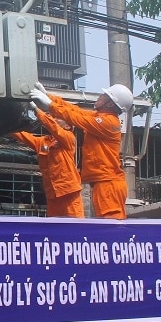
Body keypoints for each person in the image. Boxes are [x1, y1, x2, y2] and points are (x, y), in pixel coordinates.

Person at [30, 81, 133, 219]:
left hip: (108, 184)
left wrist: (49, 106)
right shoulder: (100, 117)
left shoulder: (109, 122)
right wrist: (50, 97)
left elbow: (76, 117)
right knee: (107, 227)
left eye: (104, 95)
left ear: (109, 104)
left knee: (111, 228)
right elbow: (75, 111)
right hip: (105, 183)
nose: (99, 96)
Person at [11, 106, 84, 218]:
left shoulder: (69, 138)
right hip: (52, 194)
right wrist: (6, 126)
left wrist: (36, 110)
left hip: (69, 192)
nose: (53, 118)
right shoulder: (42, 142)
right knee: (54, 229)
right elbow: (22, 135)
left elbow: (55, 128)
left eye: (57, 117)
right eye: (52, 116)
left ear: (68, 126)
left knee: (76, 227)